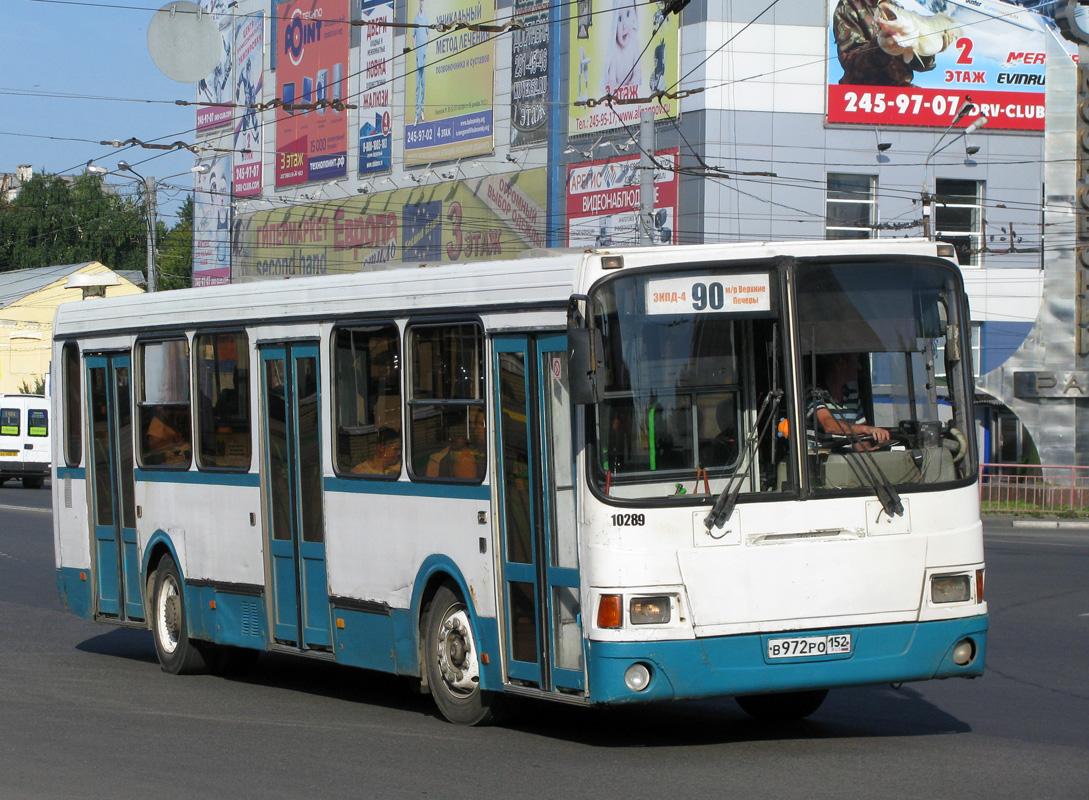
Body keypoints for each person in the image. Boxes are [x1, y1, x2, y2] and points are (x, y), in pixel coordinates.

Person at [832, 0, 954, 87]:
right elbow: (852, 65)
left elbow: (921, 66)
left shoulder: (896, 9)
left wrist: (934, 48)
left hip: (900, 94)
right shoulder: (849, 6)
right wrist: (881, 46)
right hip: (862, 94)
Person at [811, 353, 889, 448]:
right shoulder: (814, 394)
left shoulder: (852, 394)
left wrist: (871, 452)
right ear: (842, 363)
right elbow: (828, 425)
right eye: (856, 360)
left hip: (847, 461)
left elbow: (858, 434)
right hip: (822, 460)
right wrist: (866, 429)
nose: (859, 367)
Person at [600, 0, 641, 95]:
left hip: (633, 95)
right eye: (620, 19)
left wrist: (633, 82)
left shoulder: (634, 41)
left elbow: (637, 71)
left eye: (628, 14)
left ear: (635, 15)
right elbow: (611, 79)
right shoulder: (614, 49)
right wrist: (616, 87)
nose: (624, 25)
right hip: (620, 97)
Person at [413, 0, 428, 124]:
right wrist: (415, 49)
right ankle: (416, 114)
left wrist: (425, 47)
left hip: (424, 55)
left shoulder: (426, 17)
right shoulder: (416, 18)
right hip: (418, 55)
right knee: (417, 86)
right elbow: (413, 36)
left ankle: (422, 110)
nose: (422, 3)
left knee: (424, 84)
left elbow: (428, 34)